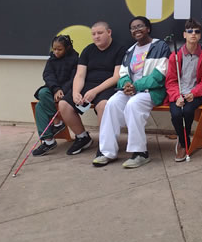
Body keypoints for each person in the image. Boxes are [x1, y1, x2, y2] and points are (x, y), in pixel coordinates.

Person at [92, 16, 170, 168]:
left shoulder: (160, 46)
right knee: (112, 104)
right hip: (130, 90)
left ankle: (140, 153)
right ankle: (107, 151)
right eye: (133, 28)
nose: (136, 30)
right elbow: (122, 74)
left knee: (133, 105)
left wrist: (136, 86)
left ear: (148, 28)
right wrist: (126, 84)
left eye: (140, 26)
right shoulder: (130, 51)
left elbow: (160, 75)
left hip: (151, 91)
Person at [57, 21, 125, 156]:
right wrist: (76, 92)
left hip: (107, 86)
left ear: (109, 32)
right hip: (87, 85)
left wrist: (95, 91)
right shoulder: (88, 50)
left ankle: (105, 144)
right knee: (64, 104)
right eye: (93, 34)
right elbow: (80, 75)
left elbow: (117, 76)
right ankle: (82, 137)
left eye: (100, 33)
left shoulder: (120, 49)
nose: (96, 37)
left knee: (103, 106)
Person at [166, 18, 202, 162]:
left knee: (188, 111)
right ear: (184, 34)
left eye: (197, 31)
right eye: (190, 31)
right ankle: (184, 139)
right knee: (176, 114)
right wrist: (176, 96)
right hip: (178, 94)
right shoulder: (175, 56)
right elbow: (171, 81)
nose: (193, 34)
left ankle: (183, 144)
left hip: (196, 94)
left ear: (200, 35)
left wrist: (193, 93)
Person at [31, 34, 79, 156]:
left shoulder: (75, 59)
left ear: (67, 48)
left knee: (39, 107)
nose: (56, 52)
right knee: (42, 93)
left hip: (68, 90)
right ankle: (57, 124)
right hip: (54, 89)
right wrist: (55, 88)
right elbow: (48, 75)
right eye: (54, 49)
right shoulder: (52, 59)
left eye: (59, 49)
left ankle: (48, 141)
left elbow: (75, 78)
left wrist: (62, 90)